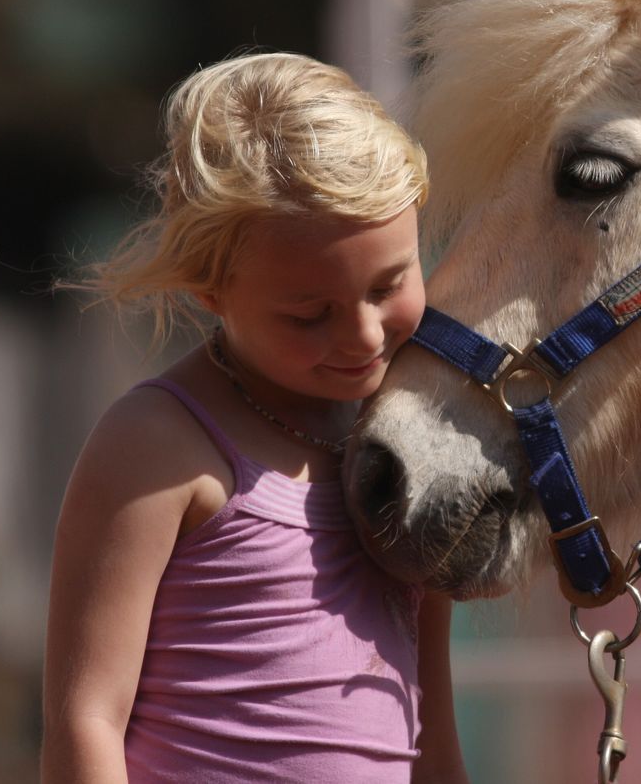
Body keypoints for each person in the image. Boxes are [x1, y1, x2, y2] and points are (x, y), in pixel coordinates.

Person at [42, 53, 466, 783]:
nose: (364, 336)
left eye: (389, 284)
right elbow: (87, 721)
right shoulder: (159, 447)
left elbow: (431, 734)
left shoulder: (404, 446)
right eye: (310, 314)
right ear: (211, 290)